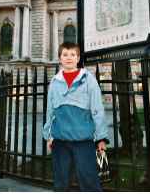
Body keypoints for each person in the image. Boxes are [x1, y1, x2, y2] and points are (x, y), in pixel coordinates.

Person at [43, 42, 109, 191]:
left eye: (73, 54)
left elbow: (97, 109)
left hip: (83, 140)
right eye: (65, 54)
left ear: (78, 58)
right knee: (61, 183)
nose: (69, 58)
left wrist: (101, 138)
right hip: (60, 141)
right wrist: (48, 135)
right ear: (60, 58)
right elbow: (50, 111)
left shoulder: (88, 79)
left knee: (89, 181)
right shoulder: (54, 82)